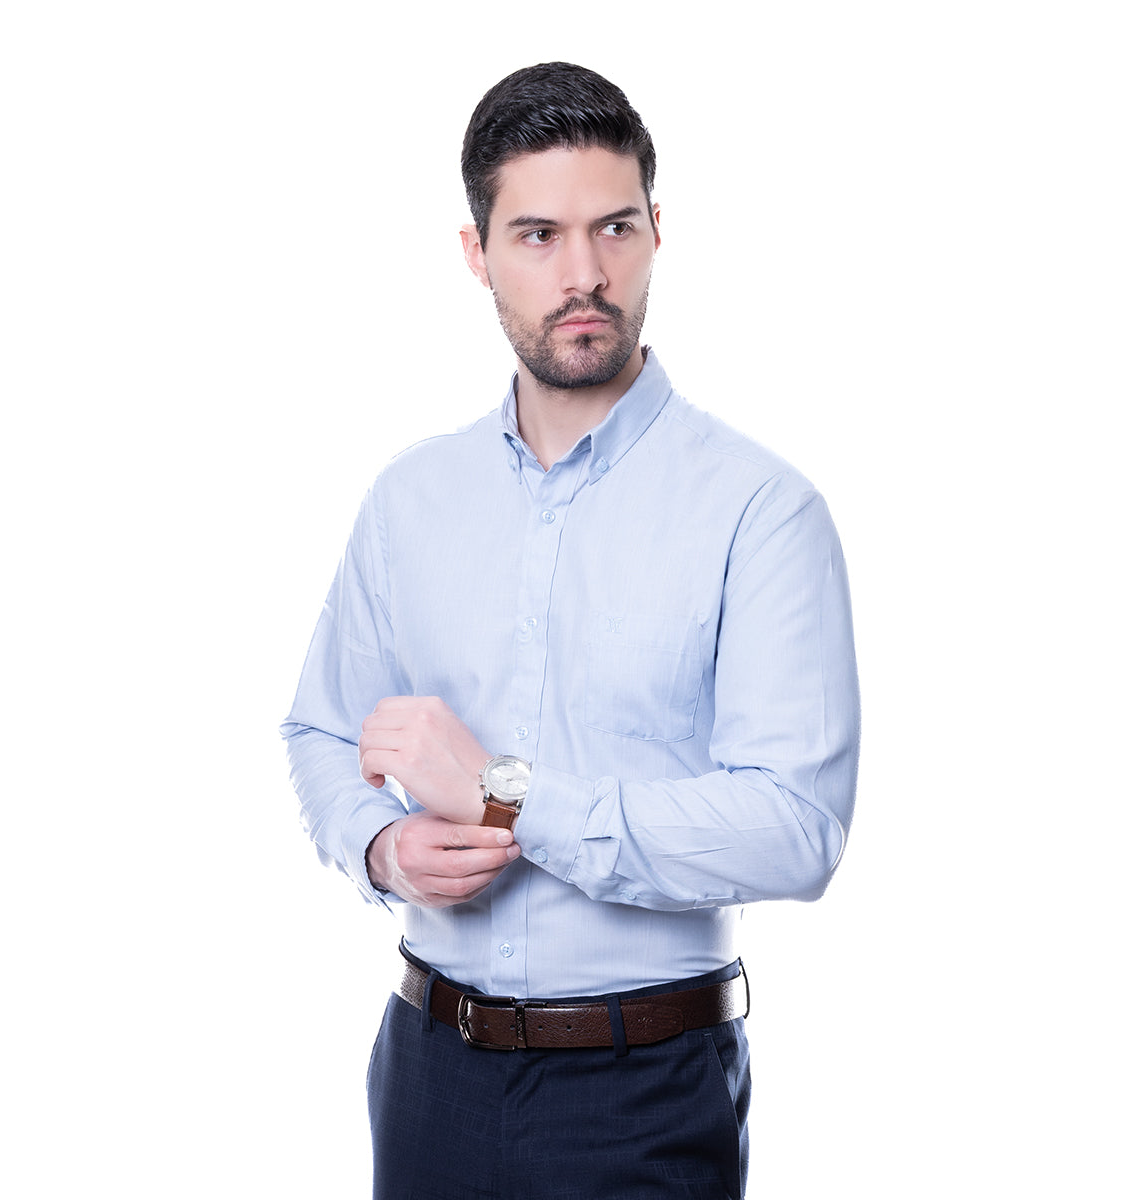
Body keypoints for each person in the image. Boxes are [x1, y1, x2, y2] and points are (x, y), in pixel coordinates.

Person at [281, 61, 859, 1199]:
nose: (584, 273)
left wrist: (503, 794)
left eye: (615, 228)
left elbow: (795, 830)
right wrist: (381, 848)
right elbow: (319, 731)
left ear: (657, 233)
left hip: (645, 1090)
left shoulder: (761, 511)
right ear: (478, 253)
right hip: (427, 1074)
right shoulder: (409, 500)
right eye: (539, 234)